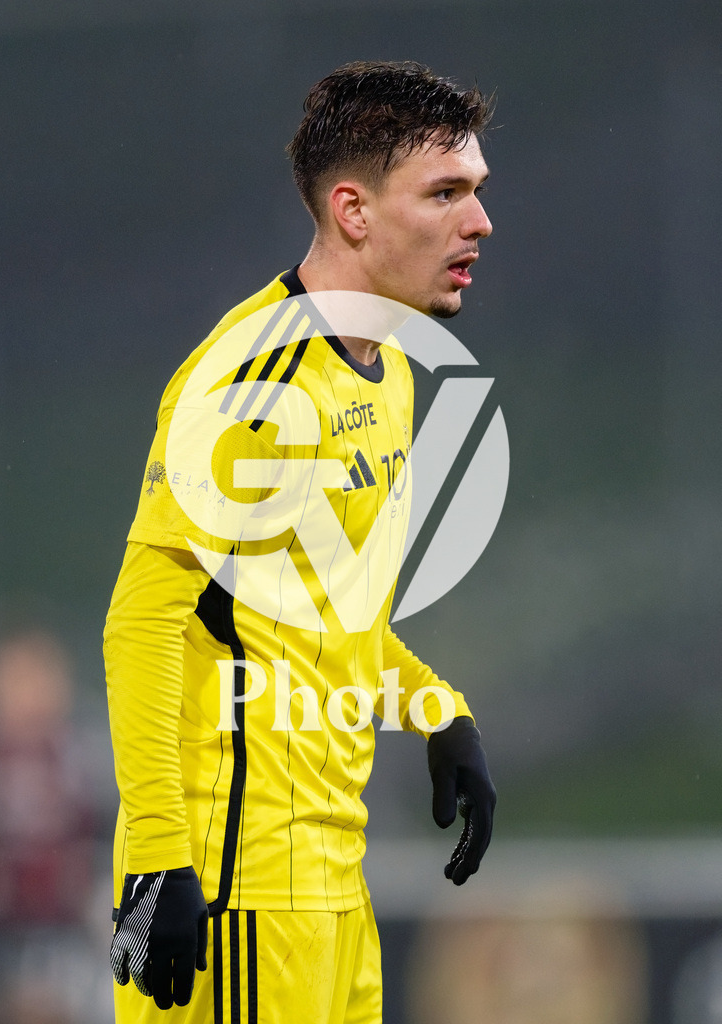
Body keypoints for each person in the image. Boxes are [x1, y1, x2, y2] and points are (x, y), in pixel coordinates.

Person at [104, 59, 497, 1024]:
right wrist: (159, 858)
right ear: (355, 212)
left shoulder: (387, 372)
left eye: (476, 192)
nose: (479, 222)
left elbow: (324, 612)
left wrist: (436, 710)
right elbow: (144, 618)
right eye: (445, 194)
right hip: (227, 895)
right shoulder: (254, 381)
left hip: (331, 889)